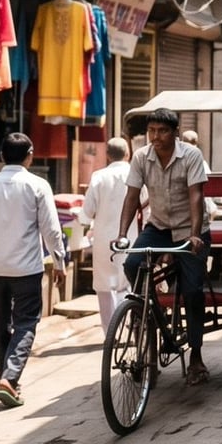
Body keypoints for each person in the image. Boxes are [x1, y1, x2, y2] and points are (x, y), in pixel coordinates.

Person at [0, 133, 67, 408]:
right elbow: (51, 230)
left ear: (1, 156)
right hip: (26, 268)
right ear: (30, 156)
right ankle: (9, 379)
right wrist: (59, 262)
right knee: (26, 324)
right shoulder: (38, 185)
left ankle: (7, 380)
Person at [119, 108, 213, 386]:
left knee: (192, 290)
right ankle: (149, 320)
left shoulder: (191, 155)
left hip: (190, 230)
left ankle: (196, 357)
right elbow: (132, 196)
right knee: (132, 264)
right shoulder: (141, 157)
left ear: (174, 132)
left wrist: (194, 236)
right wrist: (122, 234)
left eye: (161, 131)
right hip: (159, 226)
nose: (156, 136)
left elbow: (196, 196)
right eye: (152, 131)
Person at [81, 138, 137, 327]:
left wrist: (82, 220)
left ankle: (110, 333)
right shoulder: (136, 174)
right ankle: (130, 326)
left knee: (104, 287)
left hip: (104, 240)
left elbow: (87, 211)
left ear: (107, 155)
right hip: (131, 237)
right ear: (128, 154)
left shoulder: (98, 177)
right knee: (130, 283)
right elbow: (147, 208)